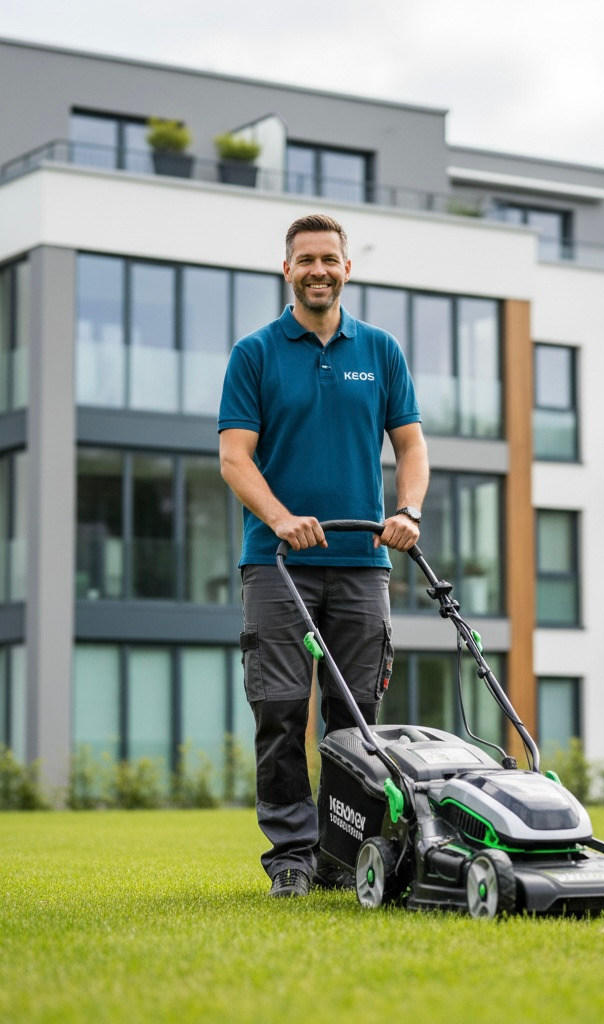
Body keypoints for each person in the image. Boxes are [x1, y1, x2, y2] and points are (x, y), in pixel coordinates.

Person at [218, 213, 429, 898]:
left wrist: (407, 511)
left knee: (357, 717)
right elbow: (233, 457)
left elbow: (412, 447)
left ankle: (348, 852)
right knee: (280, 710)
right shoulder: (254, 353)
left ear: (346, 268)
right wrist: (280, 518)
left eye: (329, 260)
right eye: (305, 260)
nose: (318, 270)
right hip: (276, 564)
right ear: (288, 269)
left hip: (363, 564)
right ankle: (290, 856)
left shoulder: (380, 349)